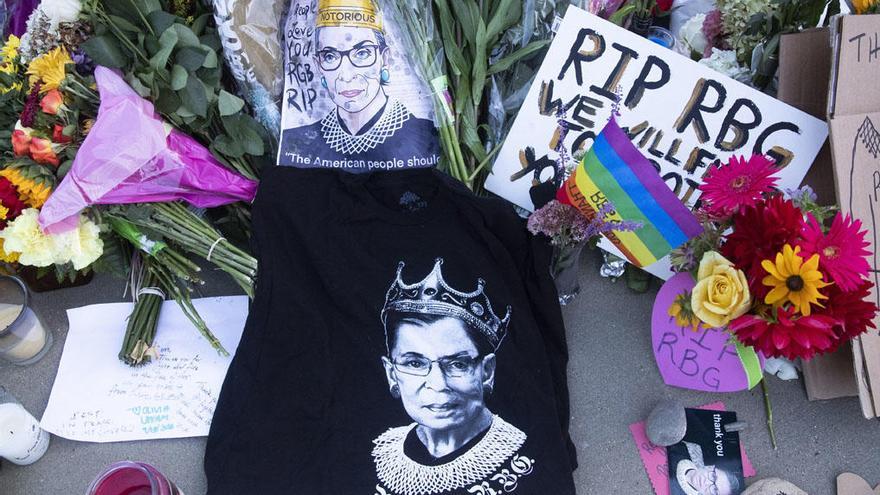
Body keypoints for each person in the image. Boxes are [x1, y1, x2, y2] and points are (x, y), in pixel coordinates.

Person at [372, 258, 532, 495]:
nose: (438, 384)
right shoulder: (382, 453)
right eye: (414, 363)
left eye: (458, 363)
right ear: (392, 374)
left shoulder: (526, 450)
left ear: (486, 371)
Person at [279, 0, 439, 170]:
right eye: (330, 56)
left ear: (384, 58)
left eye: (362, 53)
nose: (346, 76)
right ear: (318, 64)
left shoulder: (424, 135)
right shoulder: (297, 140)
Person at [675, 441, 742, 495]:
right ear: (710, 467)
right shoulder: (688, 449)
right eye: (713, 476)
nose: (706, 482)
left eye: (715, 490)